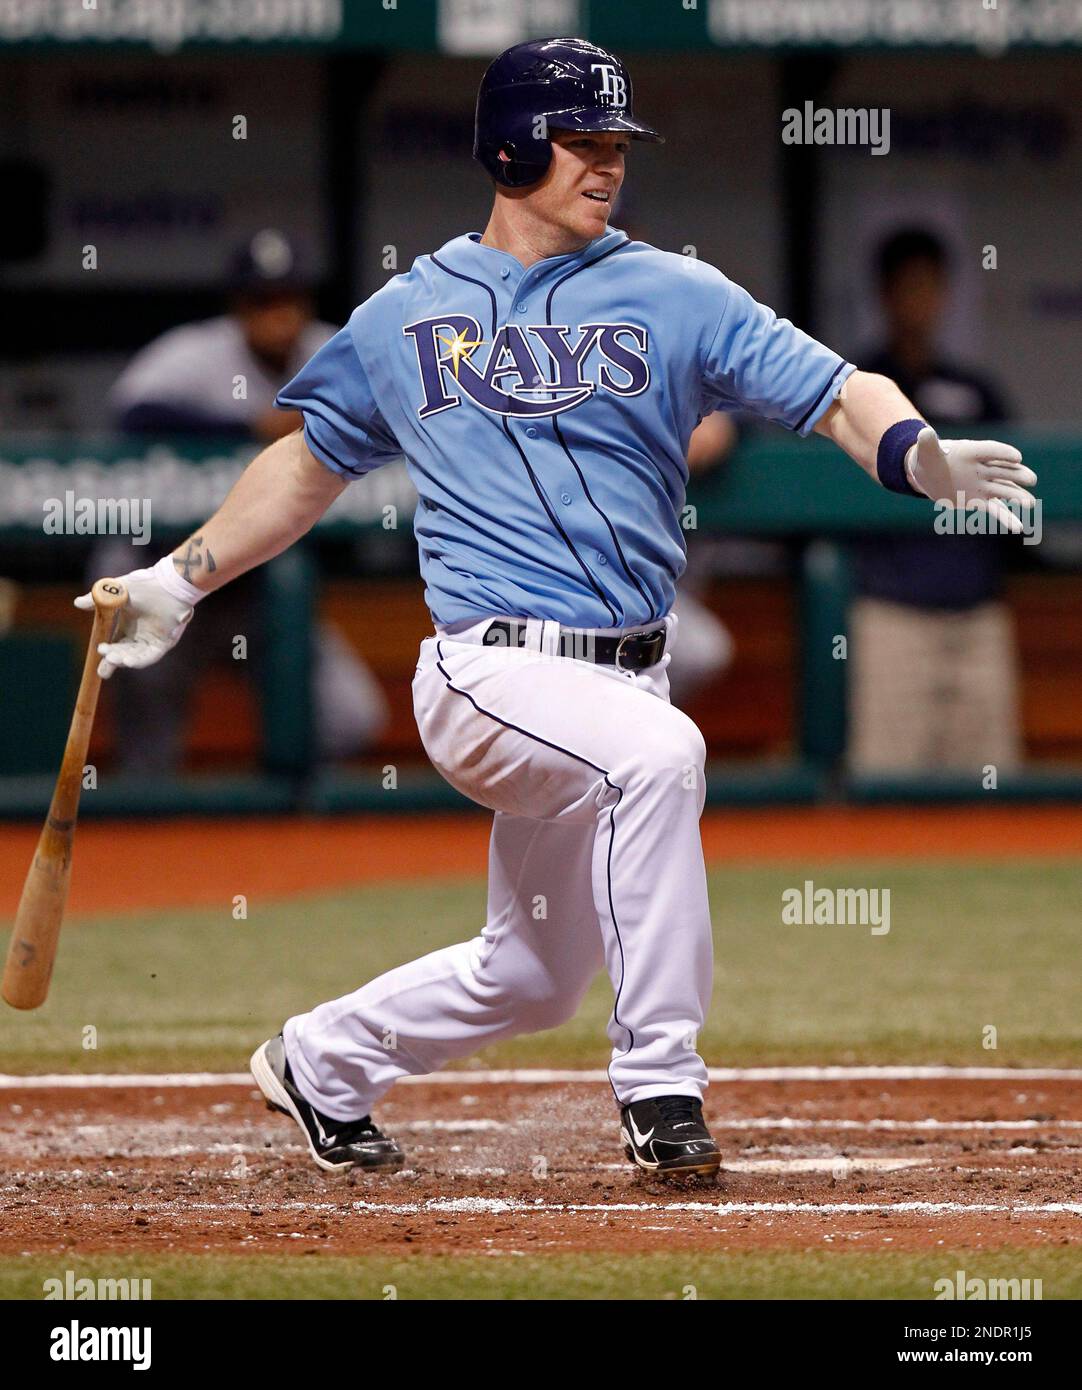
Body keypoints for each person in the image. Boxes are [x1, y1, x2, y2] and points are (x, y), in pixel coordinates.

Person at [78, 39, 1036, 1178]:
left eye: (614, 145)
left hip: (624, 673)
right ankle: (661, 1084)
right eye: (582, 141)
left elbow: (832, 387)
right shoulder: (406, 313)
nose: (606, 165)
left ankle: (319, 1061)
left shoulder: (675, 291)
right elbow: (303, 466)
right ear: (511, 145)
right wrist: (179, 578)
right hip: (488, 671)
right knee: (660, 758)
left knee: (529, 976)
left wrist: (907, 450)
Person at [96, 230, 388, 772]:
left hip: (262, 582)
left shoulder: (332, 349)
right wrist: (246, 426)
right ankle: (148, 845)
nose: (278, 314)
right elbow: (134, 414)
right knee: (147, 751)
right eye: (262, 301)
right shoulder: (196, 353)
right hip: (167, 563)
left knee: (349, 716)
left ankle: (274, 832)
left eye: (289, 299)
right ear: (238, 306)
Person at [848, 228, 1022, 773]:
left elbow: (1018, 505)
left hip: (976, 612)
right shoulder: (858, 388)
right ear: (884, 293)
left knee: (990, 792)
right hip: (891, 615)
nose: (919, 301)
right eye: (907, 286)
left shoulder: (976, 391)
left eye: (930, 286)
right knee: (889, 787)